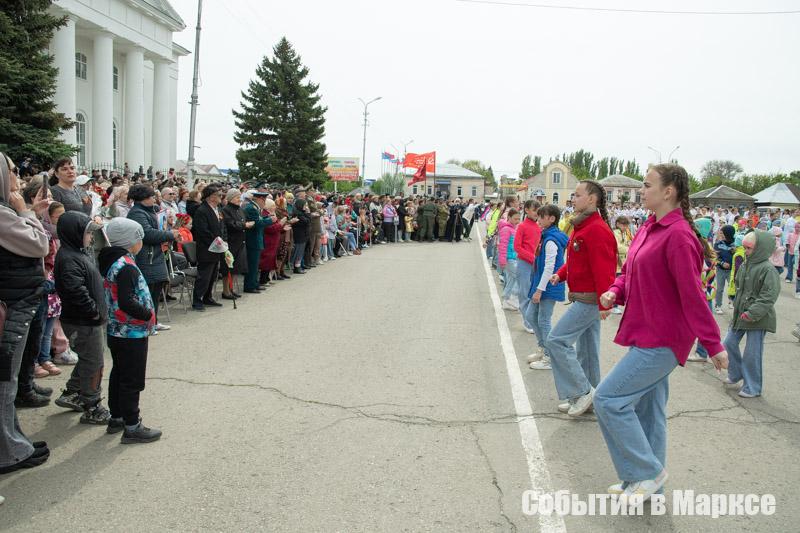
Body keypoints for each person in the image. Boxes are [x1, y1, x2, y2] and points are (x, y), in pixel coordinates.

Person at [594, 163, 728, 502]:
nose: (642, 189)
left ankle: (645, 473)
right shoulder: (649, 227)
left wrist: (713, 345)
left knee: (608, 399)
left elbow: (693, 295)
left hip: (663, 339)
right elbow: (630, 272)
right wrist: (615, 290)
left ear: (669, 191)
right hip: (645, 332)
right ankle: (649, 485)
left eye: (647, 184)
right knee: (649, 412)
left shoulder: (680, 235)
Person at [546, 180, 617, 417]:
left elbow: (604, 268)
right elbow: (578, 259)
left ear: (592, 199)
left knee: (556, 341)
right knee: (587, 351)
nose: (573, 199)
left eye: (577, 195)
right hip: (584, 297)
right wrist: (561, 273)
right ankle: (589, 398)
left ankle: (582, 391)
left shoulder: (596, 229)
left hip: (590, 299)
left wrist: (604, 303)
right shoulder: (583, 225)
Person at [0, 153, 52, 474]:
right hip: (12, 305)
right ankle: (9, 452)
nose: (18, 177)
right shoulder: (4, 213)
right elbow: (39, 244)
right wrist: (26, 213)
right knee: (5, 383)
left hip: (16, 303)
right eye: (12, 171)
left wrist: (27, 212)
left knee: (9, 380)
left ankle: (15, 442)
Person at [98, 218, 162, 443]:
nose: (141, 242)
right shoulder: (126, 267)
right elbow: (126, 301)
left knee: (119, 374)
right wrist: (147, 314)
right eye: (139, 238)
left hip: (117, 331)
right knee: (132, 379)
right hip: (130, 331)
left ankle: (117, 417)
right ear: (130, 241)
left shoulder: (114, 260)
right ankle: (132, 425)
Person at [53, 211, 112, 424]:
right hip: (83, 321)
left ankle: (72, 392)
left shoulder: (75, 253)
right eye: (87, 233)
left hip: (84, 320)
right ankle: (92, 406)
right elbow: (74, 291)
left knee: (88, 358)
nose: (90, 237)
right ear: (75, 233)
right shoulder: (69, 258)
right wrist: (94, 312)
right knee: (94, 362)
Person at [723, 231, 780, 398]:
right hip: (741, 314)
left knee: (752, 353)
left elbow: (769, 296)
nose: (746, 251)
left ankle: (752, 387)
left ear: (761, 249)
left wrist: (752, 312)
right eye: (745, 247)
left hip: (758, 317)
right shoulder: (747, 264)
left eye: (749, 248)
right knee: (728, 343)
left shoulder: (768, 269)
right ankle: (736, 374)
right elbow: (740, 287)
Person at [126, 185, 178, 331]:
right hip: (146, 257)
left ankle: (153, 322)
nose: (154, 199)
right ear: (142, 199)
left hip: (154, 256)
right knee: (147, 293)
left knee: (155, 291)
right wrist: (169, 235)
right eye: (150, 197)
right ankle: (146, 324)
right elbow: (147, 234)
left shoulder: (150, 210)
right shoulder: (137, 213)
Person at [527, 205, 568, 371]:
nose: (538, 219)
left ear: (552, 219)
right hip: (542, 283)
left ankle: (549, 357)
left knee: (544, 320)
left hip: (548, 285)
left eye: (542, 217)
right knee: (531, 316)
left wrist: (539, 290)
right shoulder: (547, 235)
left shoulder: (551, 239)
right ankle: (543, 347)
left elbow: (549, 267)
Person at [190, 184, 227, 310]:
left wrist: (222, 241)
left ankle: (207, 297)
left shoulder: (218, 209)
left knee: (213, 275)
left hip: (217, 247)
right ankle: (197, 300)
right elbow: (202, 230)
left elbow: (222, 226)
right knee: (204, 276)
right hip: (207, 248)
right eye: (219, 195)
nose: (221, 197)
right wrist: (216, 241)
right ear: (211, 197)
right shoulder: (202, 210)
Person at [514, 200, 541, 333]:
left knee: (533, 293)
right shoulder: (522, 226)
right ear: (526, 210)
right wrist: (532, 258)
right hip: (524, 264)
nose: (537, 212)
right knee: (524, 294)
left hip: (535, 264)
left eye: (538, 209)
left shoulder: (538, 227)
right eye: (534, 209)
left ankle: (531, 320)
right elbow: (517, 247)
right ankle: (527, 322)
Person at [221, 189, 254, 299]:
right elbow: (231, 224)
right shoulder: (226, 210)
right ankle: (226, 291)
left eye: (239, 197)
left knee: (236, 268)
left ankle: (231, 289)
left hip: (240, 241)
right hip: (231, 242)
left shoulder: (239, 209)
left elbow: (241, 221)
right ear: (230, 198)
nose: (239, 199)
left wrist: (246, 224)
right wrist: (244, 225)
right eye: (236, 197)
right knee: (228, 268)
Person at [242, 191, 273, 293]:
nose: (264, 202)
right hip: (253, 239)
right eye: (263, 200)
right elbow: (257, 223)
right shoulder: (251, 208)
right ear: (259, 199)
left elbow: (258, 220)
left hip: (256, 239)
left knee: (255, 264)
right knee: (252, 264)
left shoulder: (255, 207)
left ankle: (254, 283)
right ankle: (250, 286)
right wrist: (270, 220)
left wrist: (267, 218)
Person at [498, 209, 521, 310]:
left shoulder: (514, 228)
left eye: (519, 219)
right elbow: (503, 246)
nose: (517, 221)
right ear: (509, 218)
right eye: (515, 218)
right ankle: (512, 299)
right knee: (519, 276)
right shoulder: (506, 229)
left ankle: (506, 300)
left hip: (513, 258)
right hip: (508, 258)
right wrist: (502, 261)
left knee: (511, 279)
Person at [714, 225, 736, 314]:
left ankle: (731, 301)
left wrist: (736, 251)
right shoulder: (718, 244)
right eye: (720, 233)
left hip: (732, 270)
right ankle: (718, 305)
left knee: (733, 287)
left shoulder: (736, 244)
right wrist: (722, 263)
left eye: (722, 233)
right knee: (720, 289)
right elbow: (715, 257)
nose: (721, 235)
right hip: (720, 270)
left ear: (728, 233)